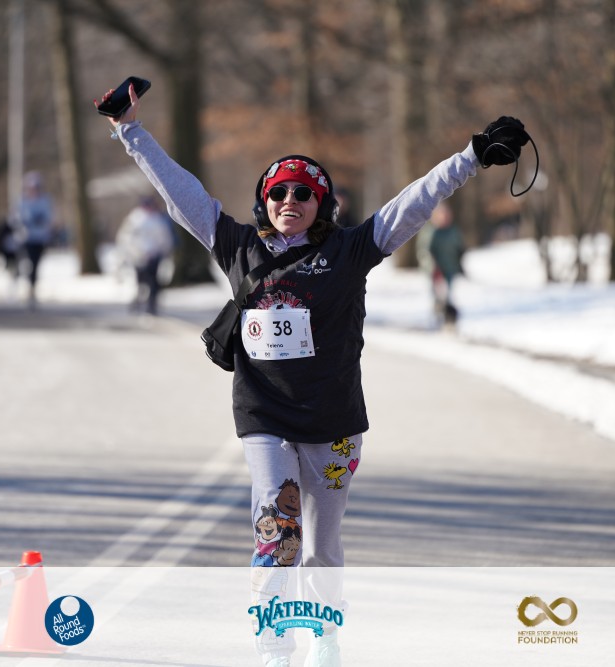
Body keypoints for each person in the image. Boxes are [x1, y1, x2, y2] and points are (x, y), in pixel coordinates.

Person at [104, 82, 523, 667]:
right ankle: (274, 646)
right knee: (278, 531)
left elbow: (415, 201)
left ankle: (324, 638)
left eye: (304, 192)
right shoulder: (238, 246)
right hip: (265, 416)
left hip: (334, 422)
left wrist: (471, 157)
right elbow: (183, 194)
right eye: (278, 191)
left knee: (322, 547)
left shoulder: (353, 249)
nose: (290, 200)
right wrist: (130, 130)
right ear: (265, 201)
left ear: (322, 204)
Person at [115, 195, 175, 314]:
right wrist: (134, 253)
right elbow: (126, 238)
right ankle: (138, 302)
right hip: (138, 256)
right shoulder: (134, 219)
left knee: (153, 281)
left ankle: (151, 305)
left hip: (153, 256)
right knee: (140, 281)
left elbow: (164, 238)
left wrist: (162, 250)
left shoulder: (157, 219)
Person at [417, 201, 465, 325]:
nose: (445, 218)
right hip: (436, 271)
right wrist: (431, 266)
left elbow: (459, 249)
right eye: (443, 215)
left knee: (448, 295)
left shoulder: (453, 231)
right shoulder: (431, 232)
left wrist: (460, 264)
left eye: (447, 215)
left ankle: (448, 318)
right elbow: (424, 251)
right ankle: (439, 316)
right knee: (439, 295)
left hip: (450, 269)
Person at [17, 171, 55, 305]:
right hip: (28, 238)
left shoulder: (45, 201)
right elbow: (17, 219)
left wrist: (43, 224)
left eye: (36, 187)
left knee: (36, 263)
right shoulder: (23, 202)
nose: (33, 190)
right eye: (31, 188)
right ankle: (29, 285)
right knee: (29, 263)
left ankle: (33, 286)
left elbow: (49, 218)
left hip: (40, 239)